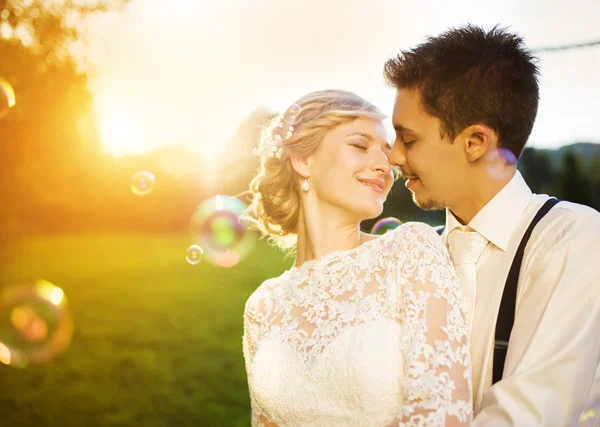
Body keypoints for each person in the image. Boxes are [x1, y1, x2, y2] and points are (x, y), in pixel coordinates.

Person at [384, 24, 600, 426]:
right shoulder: (414, 255)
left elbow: (529, 416)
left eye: (408, 139)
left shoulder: (571, 238)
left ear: (476, 142)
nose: (393, 157)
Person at [242, 89, 472, 426]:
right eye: (360, 145)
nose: (385, 164)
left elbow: (442, 415)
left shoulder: (409, 252)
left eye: (385, 150)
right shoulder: (262, 305)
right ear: (303, 160)